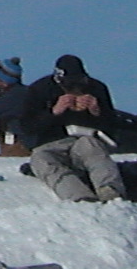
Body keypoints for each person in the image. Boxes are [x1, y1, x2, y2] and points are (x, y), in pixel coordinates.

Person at [20, 54, 126, 203]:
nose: (75, 88)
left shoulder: (97, 88)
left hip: (84, 140)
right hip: (51, 144)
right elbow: (27, 127)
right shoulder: (39, 89)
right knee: (41, 160)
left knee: (92, 147)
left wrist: (96, 111)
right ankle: (79, 196)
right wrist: (54, 112)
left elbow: (113, 126)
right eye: (69, 84)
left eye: (80, 82)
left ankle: (110, 190)